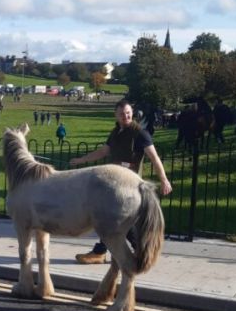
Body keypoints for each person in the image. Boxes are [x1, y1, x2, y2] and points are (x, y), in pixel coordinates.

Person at [69, 99, 173, 264]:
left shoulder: (140, 134)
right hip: (113, 184)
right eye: (122, 114)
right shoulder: (116, 132)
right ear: (116, 115)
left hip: (128, 186)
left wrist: (164, 179)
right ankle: (108, 252)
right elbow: (104, 151)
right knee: (111, 219)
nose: (126, 116)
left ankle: (115, 251)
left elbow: (154, 157)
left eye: (128, 113)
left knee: (115, 219)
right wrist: (81, 160)